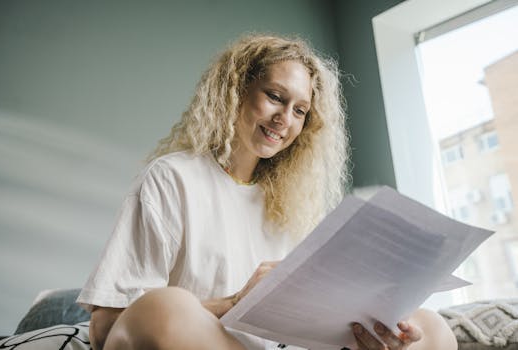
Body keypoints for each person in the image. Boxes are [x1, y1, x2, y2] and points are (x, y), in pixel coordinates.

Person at [76, 33, 458, 350]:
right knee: (163, 307)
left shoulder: (296, 201)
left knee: (435, 329)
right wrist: (236, 303)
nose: (284, 119)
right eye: (276, 96)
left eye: (300, 110)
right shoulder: (171, 178)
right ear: (236, 90)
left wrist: (372, 326)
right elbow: (105, 329)